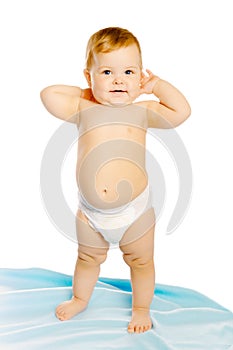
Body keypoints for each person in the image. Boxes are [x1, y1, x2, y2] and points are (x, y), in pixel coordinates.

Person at [40, 26, 191, 334]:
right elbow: (48, 95)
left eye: (129, 72)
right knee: (86, 258)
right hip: (91, 213)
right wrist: (89, 92)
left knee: (141, 262)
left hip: (134, 211)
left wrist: (157, 85)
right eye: (107, 71)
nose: (119, 80)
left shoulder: (143, 111)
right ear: (89, 77)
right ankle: (80, 298)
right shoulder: (83, 108)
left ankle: (141, 308)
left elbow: (181, 111)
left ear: (139, 78)